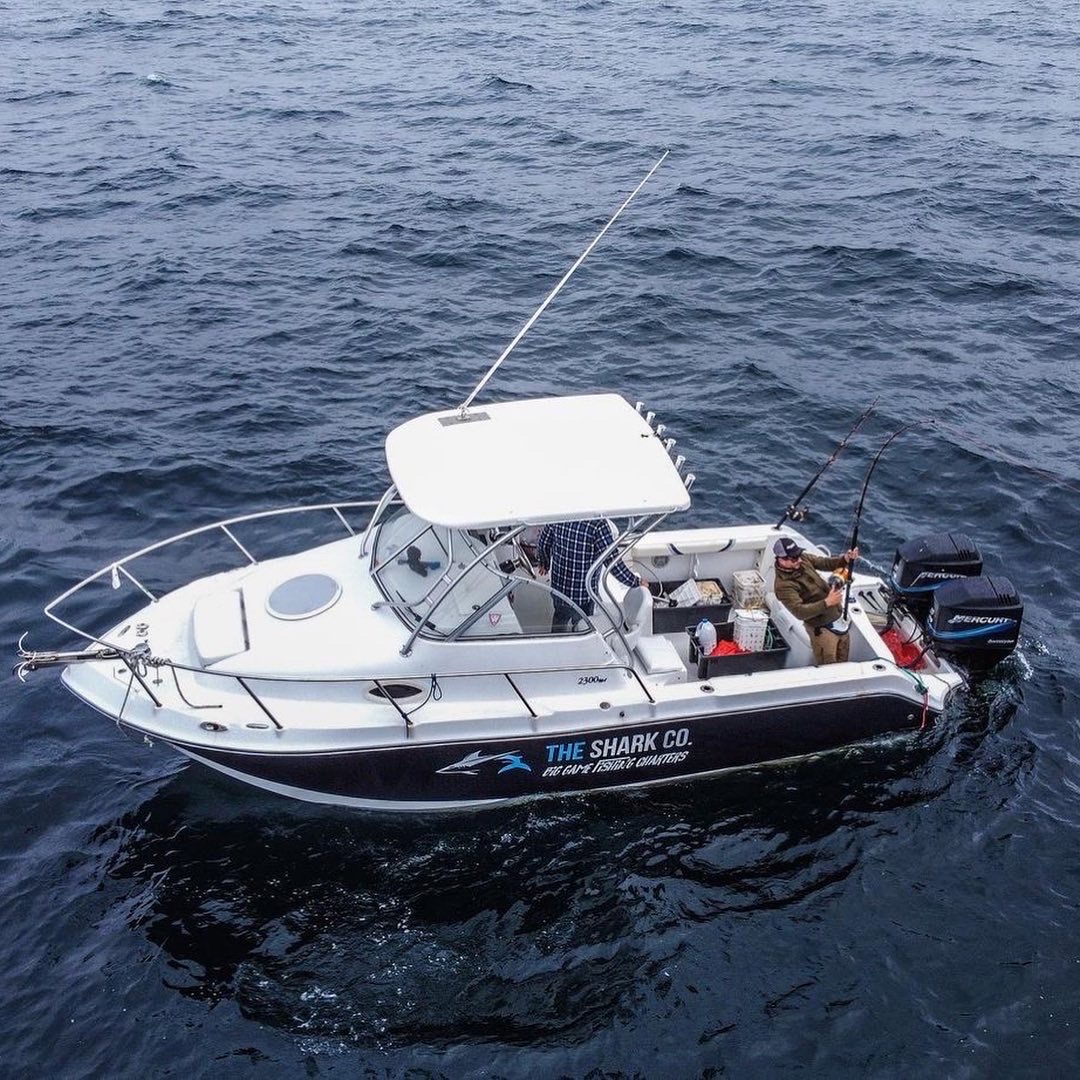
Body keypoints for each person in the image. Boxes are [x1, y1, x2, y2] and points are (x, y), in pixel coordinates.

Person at [537, 519, 640, 633]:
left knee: (559, 621)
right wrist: (635, 582)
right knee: (583, 629)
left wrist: (544, 563)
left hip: (559, 590)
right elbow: (612, 562)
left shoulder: (559, 516)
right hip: (584, 595)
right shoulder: (598, 525)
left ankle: (557, 644)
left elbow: (543, 542)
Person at [772, 535, 859, 665]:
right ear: (782, 560)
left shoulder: (803, 559)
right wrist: (827, 602)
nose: (799, 560)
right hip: (821, 629)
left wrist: (845, 559)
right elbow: (799, 612)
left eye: (799, 555)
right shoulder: (783, 585)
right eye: (794, 558)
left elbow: (825, 563)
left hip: (838, 619)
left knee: (843, 660)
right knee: (829, 665)